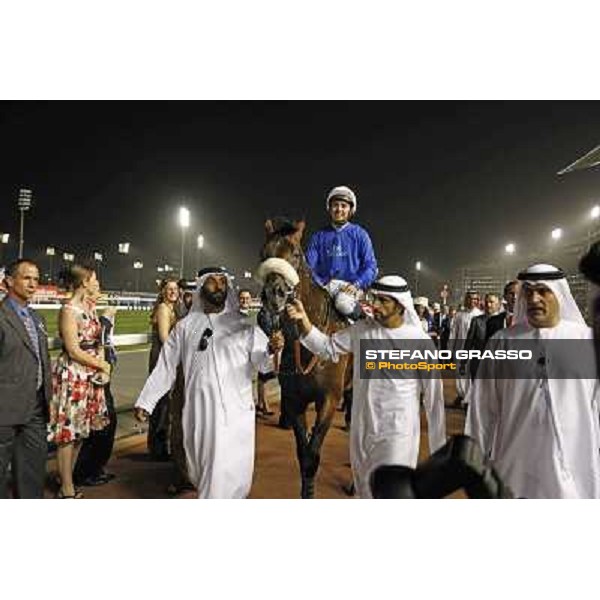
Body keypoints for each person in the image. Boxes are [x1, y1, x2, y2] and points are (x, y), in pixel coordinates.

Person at [286, 274, 446, 498]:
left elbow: (434, 398)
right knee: (365, 491)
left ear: (400, 305)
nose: (375, 305)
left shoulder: (419, 341)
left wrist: (439, 450)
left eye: (383, 301)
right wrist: (304, 321)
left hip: (398, 432)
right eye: (374, 299)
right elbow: (327, 347)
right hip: (363, 431)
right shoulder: (362, 330)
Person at [134, 267, 283, 499]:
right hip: (200, 414)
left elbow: (266, 365)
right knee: (205, 471)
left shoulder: (244, 328)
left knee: (225, 476)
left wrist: (273, 350)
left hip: (236, 414)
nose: (219, 286)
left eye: (223, 282)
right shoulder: (184, 327)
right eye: (213, 282)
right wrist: (147, 401)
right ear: (201, 287)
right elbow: (166, 365)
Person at [465, 264, 600, 498]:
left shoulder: (587, 340)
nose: (534, 298)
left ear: (559, 293)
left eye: (542, 291)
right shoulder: (502, 342)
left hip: (576, 467)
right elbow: (482, 409)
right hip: (515, 466)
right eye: (527, 292)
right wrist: (472, 463)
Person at [48, 263, 111, 499]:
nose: (96, 282)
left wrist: (103, 366)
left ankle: (66, 477)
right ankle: (66, 488)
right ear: (84, 281)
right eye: (94, 278)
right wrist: (101, 365)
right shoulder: (69, 310)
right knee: (68, 434)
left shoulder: (89, 307)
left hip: (90, 376)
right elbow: (73, 350)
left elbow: (98, 342)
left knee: (81, 432)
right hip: (74, 375)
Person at [0, 259, 52, 499]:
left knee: (32, 475)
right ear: (9, 281)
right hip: (5, 410)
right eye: (26, 278)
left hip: (35, 408)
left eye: (36, 279)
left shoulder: (37, 318)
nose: (33, 284)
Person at [305, 185, 378, 320]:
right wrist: (320, 284)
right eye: (335, 205)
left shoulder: (360, 234)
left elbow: (371, 267)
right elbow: (309, 267)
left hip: (350, 288)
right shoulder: (318, 236)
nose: (339, 209)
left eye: (344, 206)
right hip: (324, 287)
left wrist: (357, 284)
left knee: (342, 303)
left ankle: (366, 322)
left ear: (350, 210)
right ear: (329, 208)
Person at [73, 304, 118, 486]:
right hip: (90, 374)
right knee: (100, 425)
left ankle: (93, 469)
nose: (98, 288)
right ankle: (84, 472)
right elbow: (92, 341)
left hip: (99, 373)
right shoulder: (76, 311)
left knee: (105, 423)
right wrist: (106, 320)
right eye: (94, 284)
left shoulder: (90, 311)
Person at [147, 277, 179, 461]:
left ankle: (161, 446)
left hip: (166, 359)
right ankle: (157, 449)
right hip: (161, 359)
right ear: (163, 292)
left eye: (175, 288)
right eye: (169, 289)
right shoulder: (163, 309)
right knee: (161, 404)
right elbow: (164, 338)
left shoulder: (172, 309)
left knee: (166, 404)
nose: (173, 291)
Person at [239, 288, 275, 417]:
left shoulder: (253, 315)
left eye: (247, 298)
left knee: (259, 378)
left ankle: (260, 403)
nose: (244, 301)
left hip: (254, 352)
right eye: (242, 298)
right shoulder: (234, 315)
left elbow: (256, 335)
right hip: (240, 355)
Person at [449, 291, 483, 404]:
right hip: (459, 348)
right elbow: (453, 333)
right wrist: (450, 350)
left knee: (470, 374)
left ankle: (469, 397)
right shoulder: (459, 315)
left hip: (473, 350)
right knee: (459, 373)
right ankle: (461, 394)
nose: (472, 301)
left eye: (475, 299)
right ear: (465, 300)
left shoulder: (480, 315)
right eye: (470, 298)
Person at [461, 292, 501, 382]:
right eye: (486, 302)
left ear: (498, 304)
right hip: (478, 364)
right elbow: (469, 343)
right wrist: (463, 362)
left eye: (491, 302)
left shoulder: (503, 321)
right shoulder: (477, 321)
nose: (488, 305)